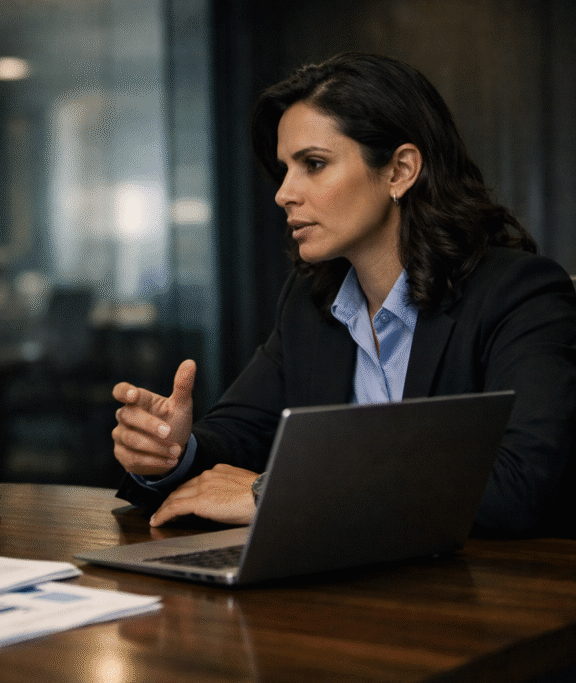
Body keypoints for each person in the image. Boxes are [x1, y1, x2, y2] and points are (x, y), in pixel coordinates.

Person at [111, 52, 576, 538]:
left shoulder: (520, 294)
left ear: (400, 171)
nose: (284, 193)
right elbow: (238, 438)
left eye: (313, 164)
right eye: (285, 168)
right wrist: (169, 451)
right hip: (348, 584)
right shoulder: (312, 301)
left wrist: (273, 494)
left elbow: (520, 488)